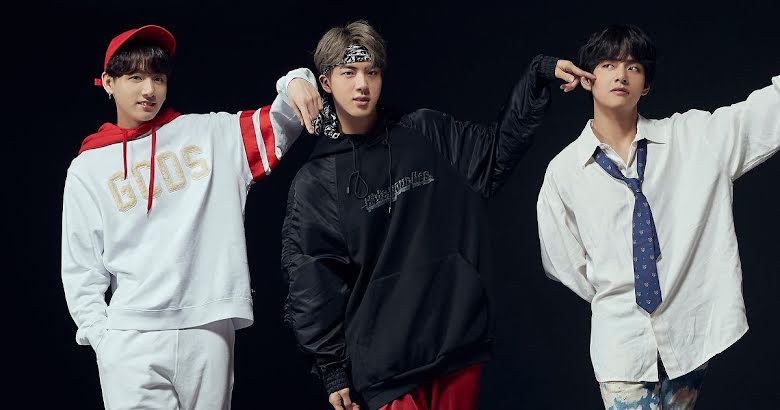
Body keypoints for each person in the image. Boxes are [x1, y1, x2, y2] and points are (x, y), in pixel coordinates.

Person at [281, 20, 593, 410]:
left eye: (372, 72)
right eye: (349, 73)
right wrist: (331, 370)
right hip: (385, 368)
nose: (362, 84)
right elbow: (312, 278)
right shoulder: (317, 181)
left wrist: (538, 75)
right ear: (326, 82)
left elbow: (494, 155)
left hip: (455, 342)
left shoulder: (425, 134)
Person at [61, 24, 321, 409]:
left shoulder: (209, 134)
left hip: (208, 327)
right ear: (108, 82)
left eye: (158, 78)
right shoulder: (88, 168)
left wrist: (297, 79)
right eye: (135, 78)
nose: (149, 90)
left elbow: (284, 120)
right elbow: (80, 267)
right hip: (131, 336)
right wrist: (104, 339)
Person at [536, 24, 779, 409]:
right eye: (608, 64)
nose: (621, 75)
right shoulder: (564, 171)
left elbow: (762, 114)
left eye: (633, 67)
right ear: (587, 78)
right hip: (621, 346)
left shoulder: (693, 138)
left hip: (689, 338)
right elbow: (563, 262)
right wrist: (618, 294)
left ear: (646, 85)